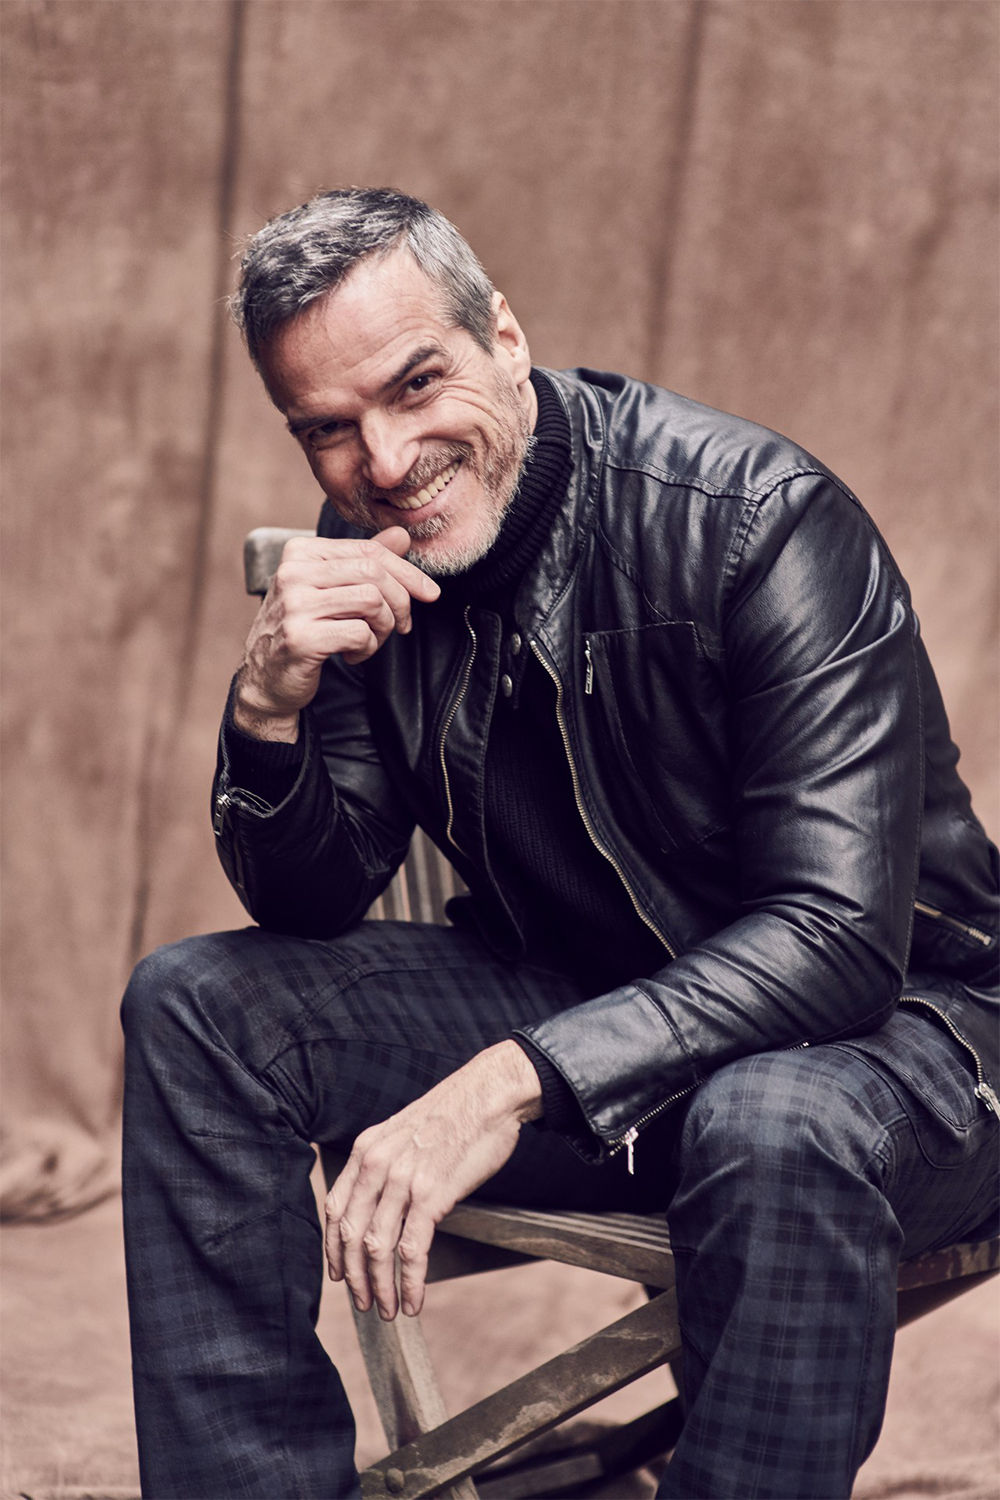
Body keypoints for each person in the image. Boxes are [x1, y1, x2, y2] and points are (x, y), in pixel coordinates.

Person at [121, 187, 999, 1500]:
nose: (385, 460)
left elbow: (835, 941)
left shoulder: (758, 517)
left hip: (911, 1041)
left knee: (770, 1120)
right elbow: (314, 896)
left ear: (506, 339)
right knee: (197, 1009)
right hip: (598, 1013)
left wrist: (505, 1084)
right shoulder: (362, 547)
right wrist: (265, 711)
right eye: (328, 429)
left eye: (417, 384)